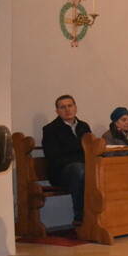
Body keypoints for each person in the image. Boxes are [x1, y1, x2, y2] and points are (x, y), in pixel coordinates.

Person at [42, 95, 92, 224]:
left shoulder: (84, 126)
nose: (67, 110)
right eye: (62, 107)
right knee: (79, 170)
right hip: (61, 173)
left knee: (102, 169)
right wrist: (81, 161)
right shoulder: (50, 129)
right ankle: (81, 217)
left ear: (75, 108)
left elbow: (91, 149)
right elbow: (54, 158)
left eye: (70, 106)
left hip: (84, 167)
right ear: (57, 111)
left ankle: (101, 215)